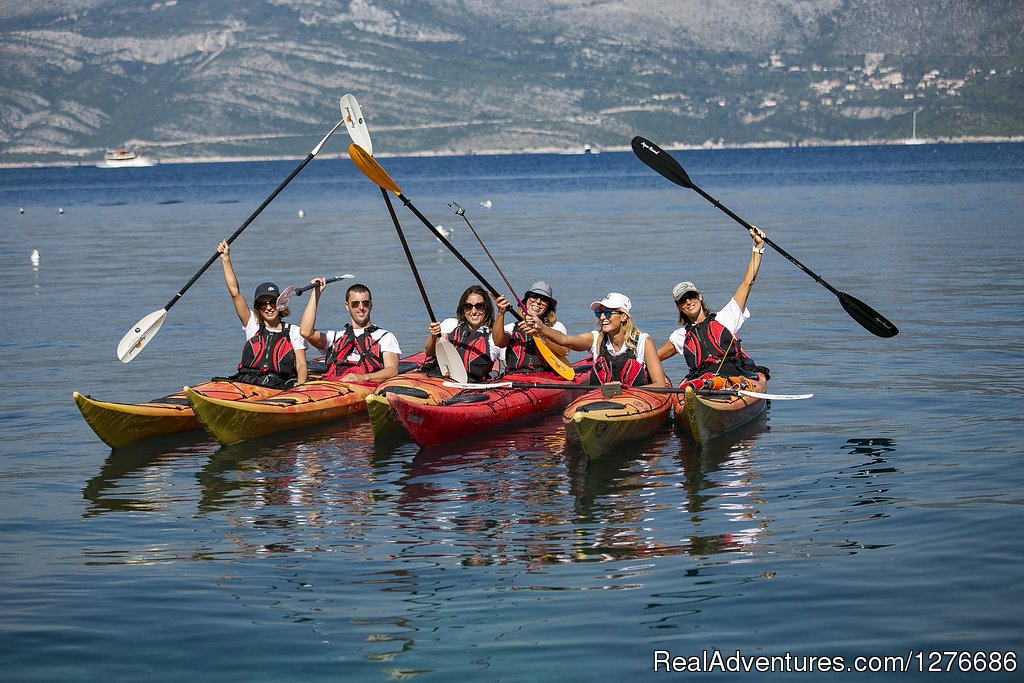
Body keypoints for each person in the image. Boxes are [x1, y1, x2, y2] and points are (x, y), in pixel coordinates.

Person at [658, 227, 770, 387]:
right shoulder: (679, 336)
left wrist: (758, 247)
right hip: (703, 384)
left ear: (699, 296)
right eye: (683, 300)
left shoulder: (726, 317)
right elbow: (653, 358)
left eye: (691, 296)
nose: (689, 302)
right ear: (679, 307)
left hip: (735, 378)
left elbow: (747, 283)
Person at [522, 292, 668, 388]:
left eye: (608, 313)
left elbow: (659, 384)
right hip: (601, 403)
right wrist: (542, 328)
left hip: (635, 401)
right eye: (599, 313)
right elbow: (567, 340)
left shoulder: (643, 341)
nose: (602, 317)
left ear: (623, 316)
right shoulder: (595, 339)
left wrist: (625, 390)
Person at [216, 240, 307, 388]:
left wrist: (301, 384)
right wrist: (226, 259)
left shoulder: (294, 332)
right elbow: (235, 293)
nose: (268, 307)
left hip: (277, 385)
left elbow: (302, 365)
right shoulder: (252, 324)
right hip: (247, 382)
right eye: (263, 304)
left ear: (280, 304)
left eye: (272, 302)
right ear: (257, 307)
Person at [299, 279, 401, 384]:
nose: (361, 307)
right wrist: (315, 294)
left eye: (365, 303)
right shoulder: (335, 337)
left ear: (371, 305)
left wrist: (362, 378)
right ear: (347, 306)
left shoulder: (385, 337)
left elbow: (392, 371)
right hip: (333, 387)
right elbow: (306, 332)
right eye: (355, 304)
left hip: (364, 388)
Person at [424, 285, 503, 382]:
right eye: (468, 306)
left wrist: (501, 312)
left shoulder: (494, 337)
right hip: (438, 379)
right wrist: (433, 336)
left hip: (469, 386)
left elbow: (505, 363)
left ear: (486, 309)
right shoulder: (450, 325)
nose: (474, 311)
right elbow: (429, 352)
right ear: (463, 309)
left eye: (479, 306)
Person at [491, 281, 570, 373]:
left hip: (546, 378)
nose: (538, 301)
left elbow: (565, 351)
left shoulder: (556, 326)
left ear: (548, 306)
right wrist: (501, 313)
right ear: (526, 300)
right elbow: (499, 342)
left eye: (544, 299)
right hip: (515, 378)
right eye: (534, 296)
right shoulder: (511, 327)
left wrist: (539, 332)